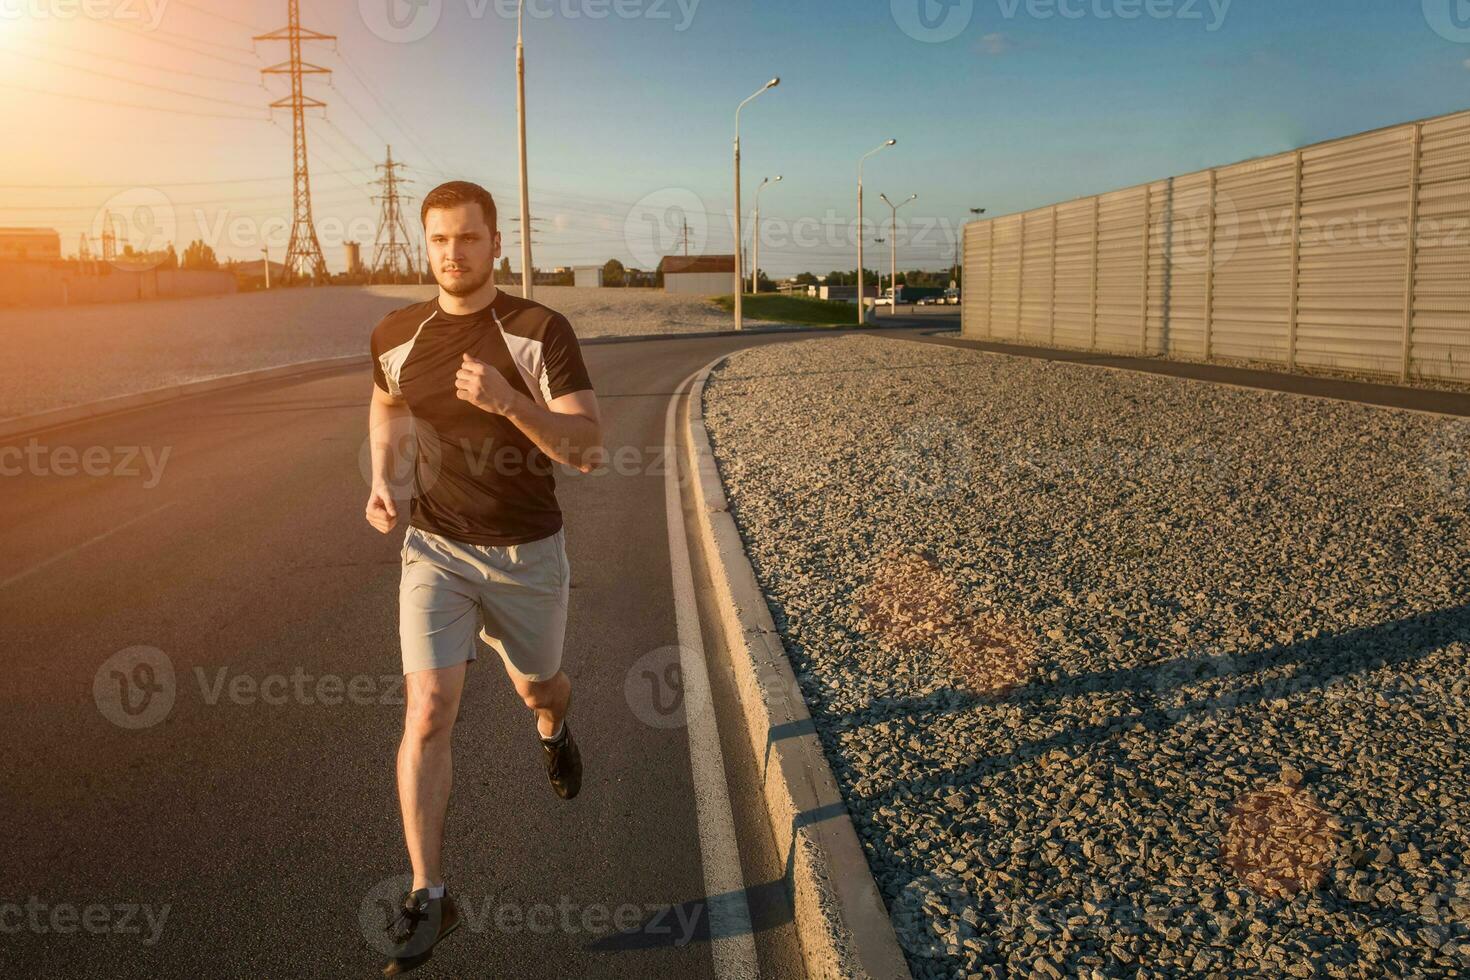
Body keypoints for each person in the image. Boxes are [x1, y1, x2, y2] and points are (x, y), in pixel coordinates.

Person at [363, 180, 604, 975]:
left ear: (495, 243)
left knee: (541, 687)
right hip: (436, 548)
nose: (453, 254)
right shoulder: (397, 333)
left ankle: (554, 728)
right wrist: (385, 478)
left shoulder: (539, 330)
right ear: (424, 245)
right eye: (438, 240)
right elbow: (388, 404)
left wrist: (507, 403)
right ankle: (431, 894)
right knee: (429, 708)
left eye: (468, 239)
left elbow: (587, 447)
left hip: (527, 552)